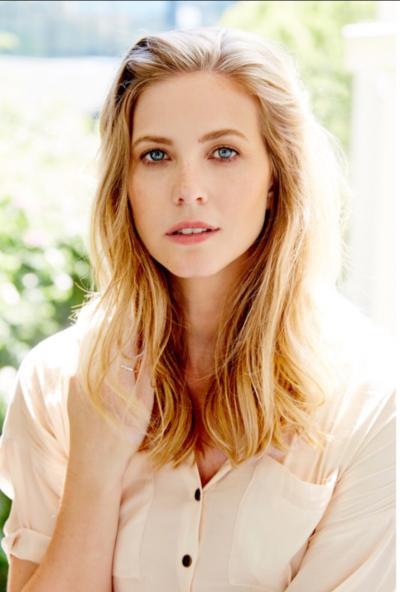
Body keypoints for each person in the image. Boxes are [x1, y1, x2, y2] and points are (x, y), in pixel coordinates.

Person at [0, 26, 396, 592]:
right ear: (125, 183)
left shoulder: (372, 397)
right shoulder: (59, 382)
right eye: (156, 155)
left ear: (276, 176)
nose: (189, 189)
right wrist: (94, 472)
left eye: (223, 152)